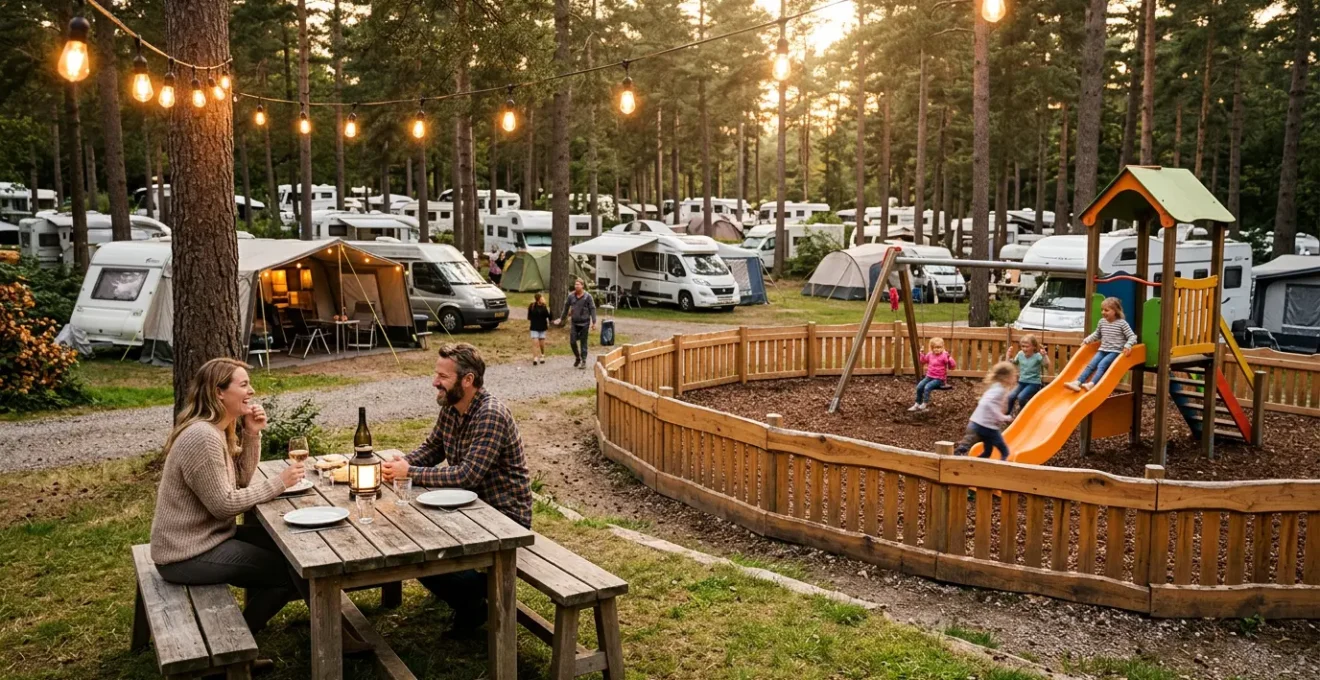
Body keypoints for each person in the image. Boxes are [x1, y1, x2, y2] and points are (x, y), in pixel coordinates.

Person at [380, 343, 532, 632]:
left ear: (468, 380)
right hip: (466, 508)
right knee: (410, 538)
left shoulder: (490, 414)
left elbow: (467, 475)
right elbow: (432, 448)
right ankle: (468, 594)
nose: (435, 382)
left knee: (423, 553)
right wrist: (400, 463)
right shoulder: (451, 407)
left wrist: (410, 472)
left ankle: (476, 601)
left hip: (503, 516)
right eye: (436, 374)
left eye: (443, 376)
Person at [149, 357, 307, 634]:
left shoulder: (215, 430)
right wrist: (279, 483)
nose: (251, 391)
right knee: (286, 572)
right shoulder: (202, 436)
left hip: (210, 538)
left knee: (292, 547)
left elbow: (240, 481)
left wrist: (252, 433)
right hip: (185, 555)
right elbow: (223, 505)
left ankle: (335, 625)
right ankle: (239, 638)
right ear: (219, 392)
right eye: (244, 385)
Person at [1065, 296, 1137, 392]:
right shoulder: (1102, 322)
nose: (1103, 312)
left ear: (1115, 311)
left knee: (1102, 365)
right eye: (1102, 310)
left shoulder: (1122, 323)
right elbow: (1097, 334)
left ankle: (1092, 383)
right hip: (1103, 349)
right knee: (1091, 365)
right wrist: (1087, 340)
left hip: (1115, 351)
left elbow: (1132, 336)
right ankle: (1077, 382)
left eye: (1106, 310)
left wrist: (1127, 345)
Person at [954, 361, 1018, 460]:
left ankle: (967, 459)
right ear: (1006, 378)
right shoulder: (999, 390)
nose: (1015, 378)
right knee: (1005, 451)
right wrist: (1003, 417)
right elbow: (988, 403)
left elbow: (985, 402)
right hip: (987, 427)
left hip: (976, 423)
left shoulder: (995, 387)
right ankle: (1002, 467)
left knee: (987, 453)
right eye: (1013, 376)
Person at [553, 278, 596, 369]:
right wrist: (561, 318)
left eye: (578, 284)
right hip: (575, 322)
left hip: (585, 323)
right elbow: (566, 307)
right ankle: (577, 357)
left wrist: (594, 322)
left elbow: (592, 308)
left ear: (582, 286)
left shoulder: (588, 297)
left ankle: (583, 361)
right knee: (572, 341)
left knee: (583, 342)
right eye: (575, 284)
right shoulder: (571, 296)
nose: (576, 286)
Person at [1005, 335, 1052, 414]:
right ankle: (1007, 415)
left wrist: (1044, 355)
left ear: (1034, 347)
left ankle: (1023, 412)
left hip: (1034, 383)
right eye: (1023, 346)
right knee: (1011, 396)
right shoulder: (1020, 354)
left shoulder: (1037, 356)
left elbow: (1046, 365)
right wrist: (1008, 356)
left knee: (1021, 397)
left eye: (1027, 347)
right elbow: (1013, 363)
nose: (1024, 349)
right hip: (1022, 382)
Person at [909, 337, 957, 411]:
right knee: (919, 387)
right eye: (935, 347)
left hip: (939, 379)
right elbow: (923, 361)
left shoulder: (944, 355)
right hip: (929, 376)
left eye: (939, 347)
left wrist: (949, 357)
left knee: (927, 387)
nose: (937, 349)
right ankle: (917, 403)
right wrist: (921, 354)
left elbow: (952, 366)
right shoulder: (930, 354)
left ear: (942, 347)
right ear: (932, 348)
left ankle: (924, 403)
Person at [527, 292, 552, 365]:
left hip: (542, 327)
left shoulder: (544, 307)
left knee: (541, 344)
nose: (543, 299)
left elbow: (548, 316)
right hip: (534, 327)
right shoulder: (532, 306)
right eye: (542, 298)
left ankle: (542, 355)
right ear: (539, 299)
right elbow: (529, 316)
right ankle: (535, 358)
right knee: (535, 343)